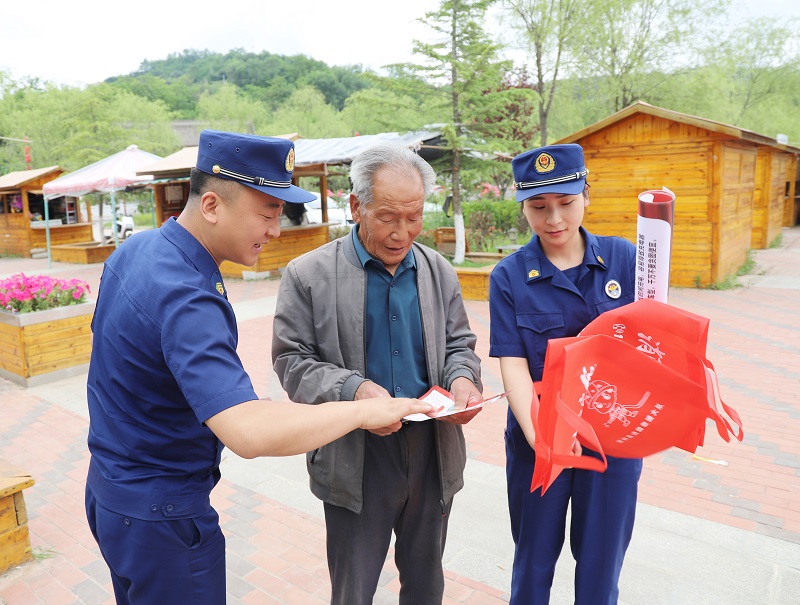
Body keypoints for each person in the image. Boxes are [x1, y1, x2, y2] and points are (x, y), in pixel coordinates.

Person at [84, 130, 433, 605]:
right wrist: (362, 410)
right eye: (267, 214)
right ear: (211, 205)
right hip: (161, 514)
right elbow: (247, 430)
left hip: (111, 492)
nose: (275, 230)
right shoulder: (188, 298)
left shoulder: (138, 252)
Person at [271, 143, 484, 605]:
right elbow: (292, 362)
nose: (402, 232)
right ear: (356, 206)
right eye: (388, 217)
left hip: (432, 453)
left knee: (426, 585)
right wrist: (356, 391)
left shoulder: (438, 272)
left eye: (413, 217)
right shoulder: (308, 275)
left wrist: (463, 380)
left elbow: (459, 346)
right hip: (354, 456)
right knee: (354, 588)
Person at [488, 143, 642, 604]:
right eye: (538, 207)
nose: (553, 218)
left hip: (612, 440)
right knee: (533, 563)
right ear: (523, 208)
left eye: (565, 203)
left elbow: (653, 344)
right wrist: (544, 440)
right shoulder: (509, 276)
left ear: (586, 195)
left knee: (600, 566)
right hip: (540, 437)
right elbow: (512, 364)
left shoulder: (624, 260)